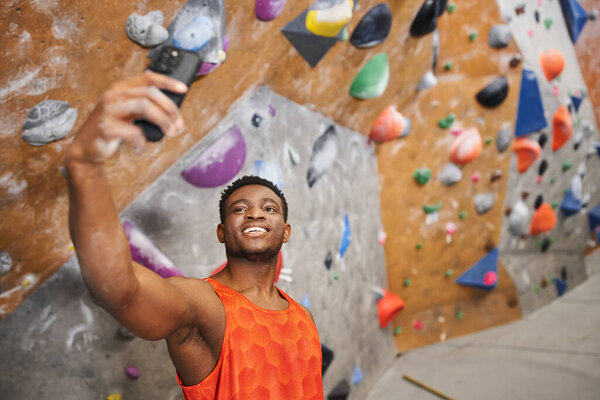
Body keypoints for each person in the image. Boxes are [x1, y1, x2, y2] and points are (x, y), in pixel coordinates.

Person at [65, 71, 324, 399]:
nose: (255, 213)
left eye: (269, 209)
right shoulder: (204, 305)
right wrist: (85, 167)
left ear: (286, 232)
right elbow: (119, 291)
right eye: (239, 209)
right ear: (221, 231)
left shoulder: (304, 317)